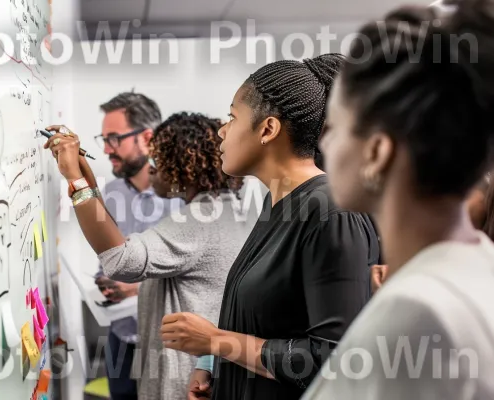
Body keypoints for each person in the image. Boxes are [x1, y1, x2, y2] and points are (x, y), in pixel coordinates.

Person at [300, 0, 494, 398]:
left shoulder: (419, 312)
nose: (325, 142)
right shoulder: (475, 267)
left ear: (377, 152)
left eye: (335, 126)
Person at [160, 55, 381, 400]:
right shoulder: (276, 203)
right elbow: (269, 319)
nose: (221, 130)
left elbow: (334, 361)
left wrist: (216, 341)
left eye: (233, 117)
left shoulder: (331, 214)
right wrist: (215, 363)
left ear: (268, 129)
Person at [44, 112, 254, 399]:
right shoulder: (224, 209)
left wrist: (75, 181)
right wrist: (83, 172)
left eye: (157, 160)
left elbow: (120, 260)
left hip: (185, 383)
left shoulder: (199, 220)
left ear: (184, 166)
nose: (151, 170)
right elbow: (117, 239)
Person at [91, 92, 180, 400]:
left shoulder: (183, 196)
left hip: (171, 345)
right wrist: (103, 281)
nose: (105, 149)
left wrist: (136, 288)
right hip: (121, 340)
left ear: (146, 136)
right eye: (103, 139)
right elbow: (106, 259)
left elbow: (197, 278)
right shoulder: (111, 193)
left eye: (114, 139)